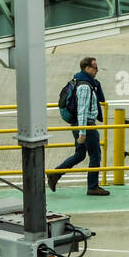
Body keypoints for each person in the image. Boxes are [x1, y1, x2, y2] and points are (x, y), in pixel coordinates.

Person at [49, 56, 109, 196]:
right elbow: (82, 110)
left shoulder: (82, 81)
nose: (97, 70)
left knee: (80, 154)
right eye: (95, 68)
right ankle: (93, 187)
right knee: (95, 155)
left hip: (79, 124)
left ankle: (55, 174)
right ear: (87, 68)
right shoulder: (84, 86)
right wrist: (83, 132)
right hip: (85, 125)